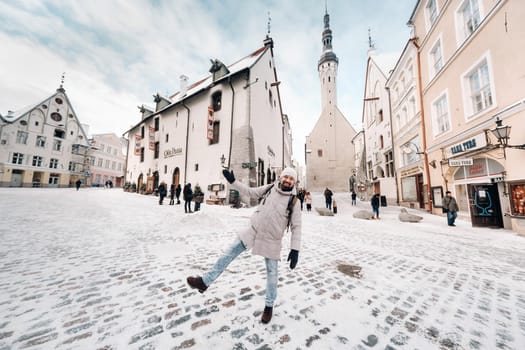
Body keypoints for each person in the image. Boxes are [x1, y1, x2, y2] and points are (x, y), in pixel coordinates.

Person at [186, 167, 302, 324]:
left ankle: (269, 306)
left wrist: (295, 249)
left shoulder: (294, 201)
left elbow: (297, 227)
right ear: (281, 177)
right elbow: (251, 192)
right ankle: (204, 282)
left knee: (272, 274)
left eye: (291, 179)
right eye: (286, 177)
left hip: (272, 240)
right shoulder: (270, 188)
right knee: (228, 254)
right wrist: (233, 182)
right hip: (253, 230)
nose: (288, 180)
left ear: (294, 182)